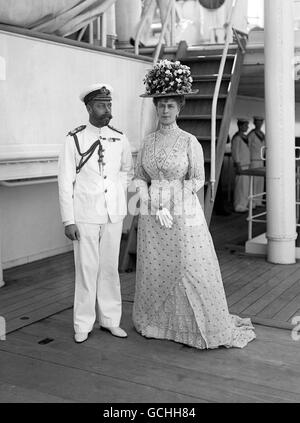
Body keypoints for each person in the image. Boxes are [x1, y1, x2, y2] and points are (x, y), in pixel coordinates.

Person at [132, 60, 255, 350]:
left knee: (189, 266)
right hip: (152, 215)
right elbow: (138, 177)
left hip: (183, 212)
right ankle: (157, 322)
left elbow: (198, 178)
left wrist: (170, 203)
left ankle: (197, 325)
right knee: (155, 268)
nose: (164, 110)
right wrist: (151, 202)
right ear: (156, 106)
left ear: (180, 108)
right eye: (160, 104)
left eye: (170, 105)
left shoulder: (189, 142)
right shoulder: (147, 143)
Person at [58, 83, 134, 343]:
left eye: (109, 104)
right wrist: (68, 220)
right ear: (89, 107)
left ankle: (111, 320)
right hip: (85, 215)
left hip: (112, 214)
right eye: (101, 105)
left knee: (110, 269)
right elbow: (65, 181)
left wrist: (117, 191)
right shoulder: (74, 139)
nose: (107, 110)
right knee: (86, 269)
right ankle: (83, 323)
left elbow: (127, 169)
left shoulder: (119, 137)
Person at [231, 118, 250, 213]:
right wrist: (238, 165)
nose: (247, 127)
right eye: (246, 125)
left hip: (246, 165)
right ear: (240, 126)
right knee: (240, 187)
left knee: (245, 187)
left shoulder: (244, 137)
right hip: (241, 165)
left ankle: (244, 204)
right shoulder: (237, 138)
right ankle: (238, 205)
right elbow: (235, 153)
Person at [248, 116, 265, 207]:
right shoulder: (251, 134)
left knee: (260, 182)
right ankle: (252, 202)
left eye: (261, 122)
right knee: (253, 182)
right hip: (253, 160)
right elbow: (248, 148)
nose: (259, 124)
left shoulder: (262, 134)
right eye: (258, 122)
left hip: (261, 160)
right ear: (255, 123)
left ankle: (259, 201)